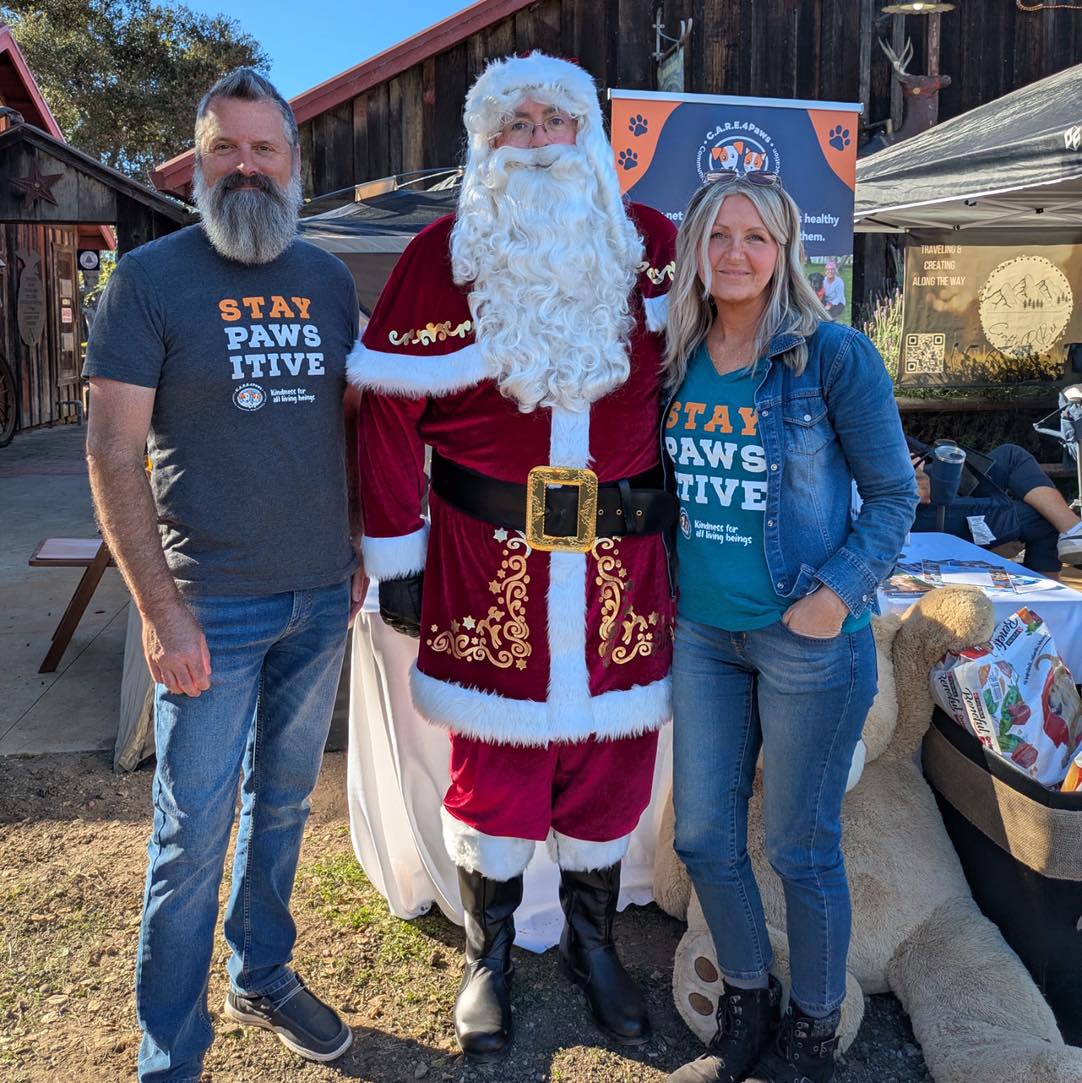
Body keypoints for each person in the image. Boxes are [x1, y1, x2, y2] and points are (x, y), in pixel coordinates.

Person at [348, 51, 678, 1061]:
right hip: (485, 562)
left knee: (611, 764)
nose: (536, 140)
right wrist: (395, 556)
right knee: (491, 771)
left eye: (554, 120)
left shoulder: (652, 249)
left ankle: (592, 942)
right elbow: (388, 421)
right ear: (483, 145)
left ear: (588, 137)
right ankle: (486, 956)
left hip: (622, 567)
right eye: (513, 123)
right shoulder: (436, 256)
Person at [84, 68, 365, 1082]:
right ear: (195, 162)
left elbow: (348, 427)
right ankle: (173, 1051)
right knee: (188, 835)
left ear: (295, 164)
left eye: (263, 149)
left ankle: (263, 970)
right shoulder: (149, 282)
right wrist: (160, 615)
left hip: (319, 599)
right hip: (209, 605)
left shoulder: (332, 282)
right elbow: (112, 456)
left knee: (284, 803)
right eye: (224, 149)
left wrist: (360, 549)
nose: (245, 167)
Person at [662, 173, 917, 1083]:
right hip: (703, 636)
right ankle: (746, 996)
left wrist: (839, 593)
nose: (735, 253)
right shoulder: (673, 354)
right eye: (719, 235)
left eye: (756, 237)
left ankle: (813, 1026)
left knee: (800, 845)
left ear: (785, 253)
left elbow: (894, 495)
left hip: (807, 637)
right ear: (694, 248)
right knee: (703, 837)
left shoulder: (831, 356)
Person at [910, 438, 1082, 572]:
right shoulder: (885, 430)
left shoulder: (887, 425)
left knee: (1010, 455)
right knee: (1041, 518)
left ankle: (1075, 531)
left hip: (943, 488)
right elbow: (921, 493)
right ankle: (1050, 605)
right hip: (923, 512)